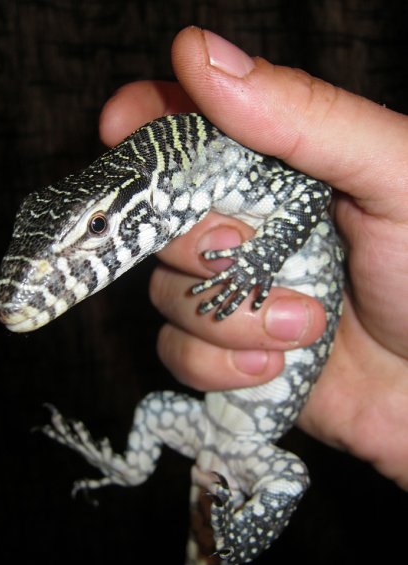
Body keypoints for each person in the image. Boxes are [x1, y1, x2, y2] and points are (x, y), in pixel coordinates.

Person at [98, 27, 408, 490]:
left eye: (98, 227)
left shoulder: (232, 165)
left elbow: (311, 193)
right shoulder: (213, 182)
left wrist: (259, 258)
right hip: (225, 424)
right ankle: (136, 474)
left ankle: (218, 524)